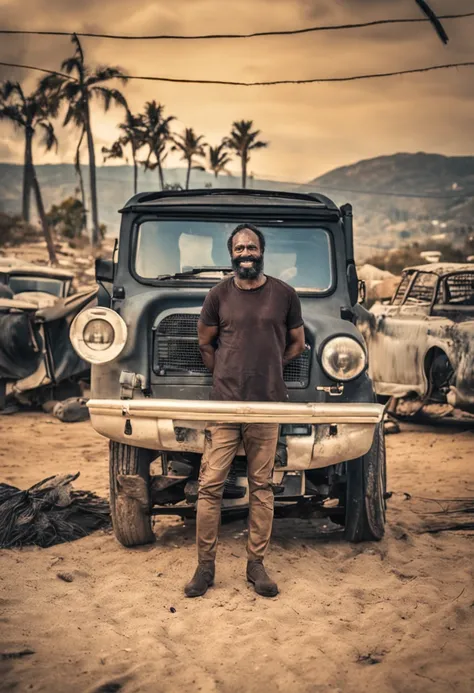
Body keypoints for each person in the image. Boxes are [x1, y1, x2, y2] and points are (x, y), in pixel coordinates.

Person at [184, 223, 305, 598]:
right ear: (231, 254)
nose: (246, 252)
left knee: (262, 487)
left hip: (267, 405)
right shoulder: (217, 295)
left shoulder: (284, 295)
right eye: (239, 248)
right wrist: (224, 372)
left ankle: (256, 565)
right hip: (224, 405)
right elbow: (205, 342)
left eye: (251, 246)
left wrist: (269, 368)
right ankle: (205, 569)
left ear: (261, 251)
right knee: (210, 486)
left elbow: (297, 343)